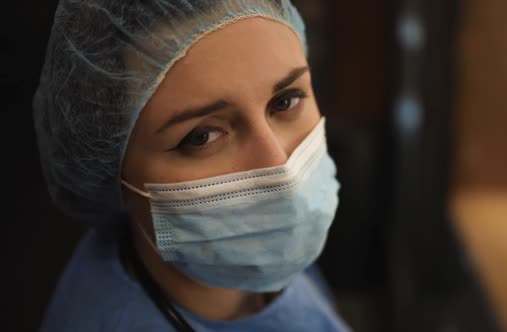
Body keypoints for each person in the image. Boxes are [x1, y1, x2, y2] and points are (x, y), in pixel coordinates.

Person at [34, 1, 350, 331]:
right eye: (201, 136)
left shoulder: (270, 270)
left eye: (284, 101)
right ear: (114, 168)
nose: (280, 167)